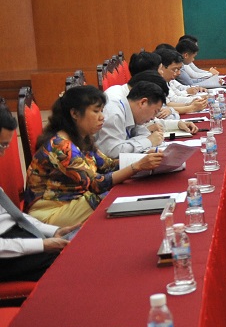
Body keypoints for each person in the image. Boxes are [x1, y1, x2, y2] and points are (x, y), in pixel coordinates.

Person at [24, 86, 163, 226]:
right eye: (96, 111)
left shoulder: (82, 137)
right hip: (51, 212)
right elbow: (97, 184)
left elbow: (107, 164)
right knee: (110, 198)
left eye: (102, 110)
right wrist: (136, 166)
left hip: (74, 201)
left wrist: (142, 158)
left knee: (119, 194)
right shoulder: (62, 147)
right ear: (75, 113)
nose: (102, 117)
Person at [0, 108, 77, 282]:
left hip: (14, 236)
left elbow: (13, 215)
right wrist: (41, 245)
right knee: (68, 262)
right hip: (5, 253)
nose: (3, 154)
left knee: (75, 248)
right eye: (2, 146)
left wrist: (54, 231)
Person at [98, 76, 170, 159]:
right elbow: (112, 152)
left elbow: (144, 133)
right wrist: (148, 141)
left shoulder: (132, 112)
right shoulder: (115, 114)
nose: (153, 118)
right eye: (155, 112)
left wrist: (146, 142)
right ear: (143, 102)